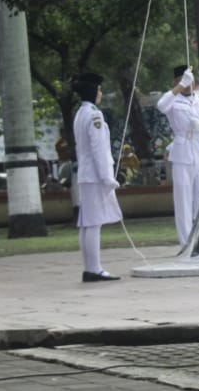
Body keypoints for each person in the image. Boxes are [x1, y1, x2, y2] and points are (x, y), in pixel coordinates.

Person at [72, 72, 122, 282]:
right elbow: (98, 149)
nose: (100, 93)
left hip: (86, 174)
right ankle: (94, 269)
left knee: (87, 223)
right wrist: (107, 177)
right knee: (93, 223)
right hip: (94, 175)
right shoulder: (94, 115)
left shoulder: (81, 113)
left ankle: (91, 267)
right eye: (99, 89)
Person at [156, 64, 199, 247]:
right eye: (182, 80)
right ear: (176, 81)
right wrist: (179, 87)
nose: (187, 84)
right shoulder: (173, 100)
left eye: (189, 80)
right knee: (183, 201)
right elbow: (161, 106)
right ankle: (186, 243)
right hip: (182, 153)